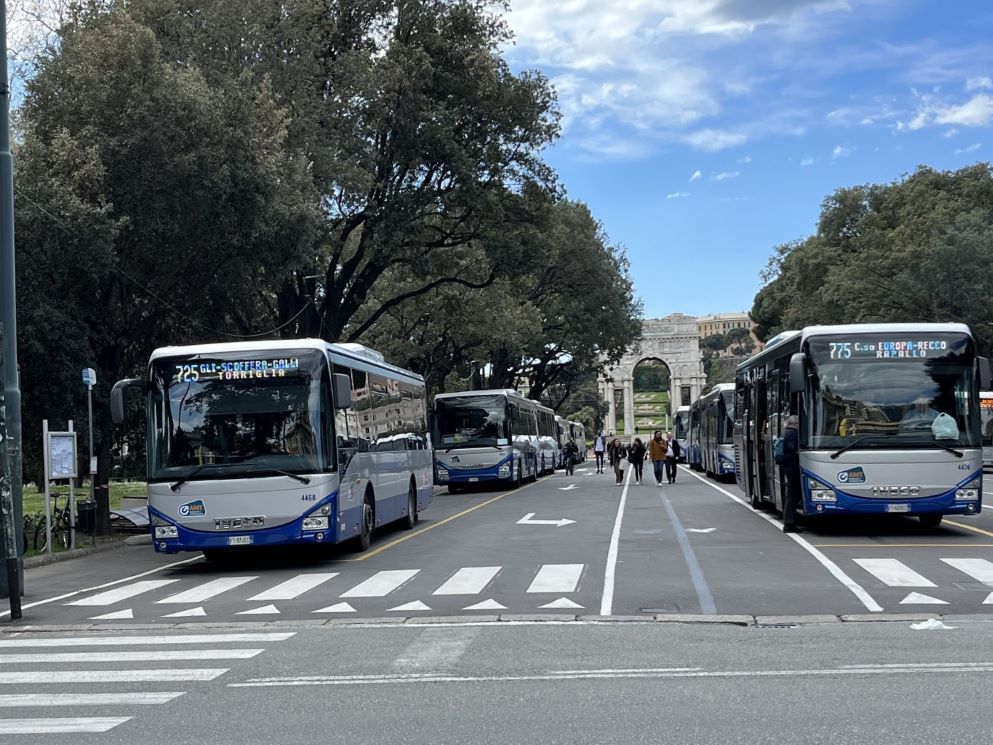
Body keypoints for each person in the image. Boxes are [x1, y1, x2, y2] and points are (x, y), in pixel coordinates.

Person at [780, 414, 801, 533]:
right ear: (795, 424)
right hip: (792, 467)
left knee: (793, 494)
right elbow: (793, 449)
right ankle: (788, 523)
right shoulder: (792, 434)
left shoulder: (787, 433)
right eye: (798, 423)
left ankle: (791, 521)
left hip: (789, 466)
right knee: (792, 495)